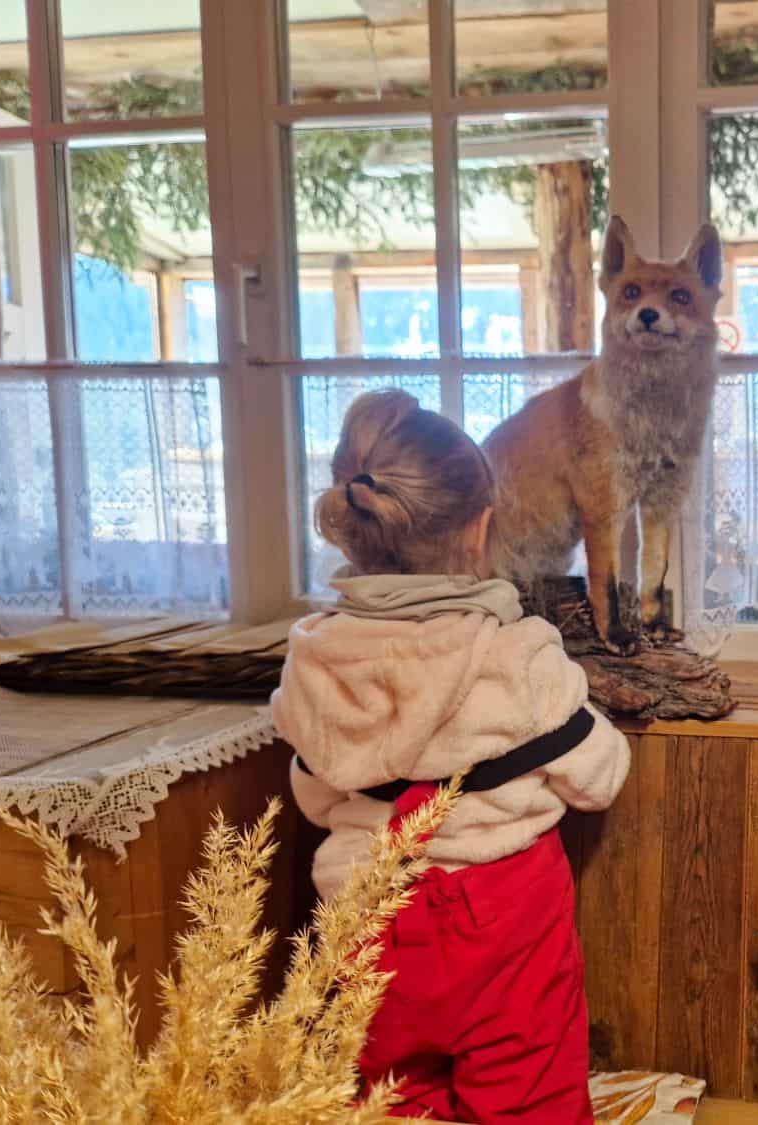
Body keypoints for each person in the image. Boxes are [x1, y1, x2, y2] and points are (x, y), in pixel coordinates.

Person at [271, 389, 630, 1123]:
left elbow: (311, 796)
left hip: (365, 919)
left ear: (353, 532)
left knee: (386, 1098)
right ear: (480, 530)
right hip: (501, 927)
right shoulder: (517, 652)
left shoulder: (314, 660)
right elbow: (600, 776)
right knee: (527, 1096)